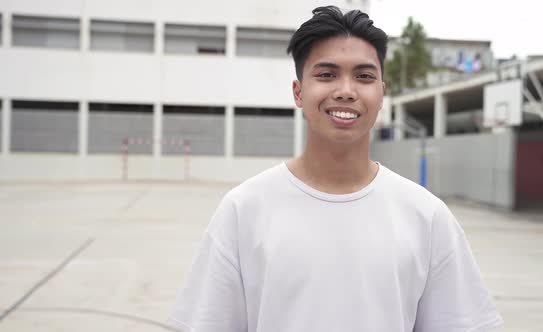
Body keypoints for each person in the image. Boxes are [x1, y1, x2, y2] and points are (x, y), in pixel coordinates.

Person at [168, 6, 503, 332]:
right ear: (298, 92)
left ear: (382, 93)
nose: (346, 91)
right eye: (327, 74)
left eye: (364, 76)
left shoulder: (427, 217)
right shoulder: (244, 210)